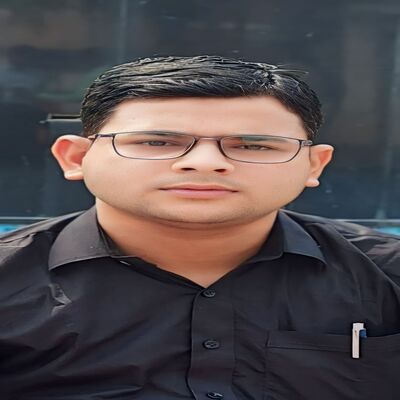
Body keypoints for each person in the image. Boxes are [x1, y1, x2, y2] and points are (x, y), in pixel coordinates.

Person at [0, 55, 399, 400]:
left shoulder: (386, 276)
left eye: (253, 145)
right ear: (76, 157)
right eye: (157, 142)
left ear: (314, 165)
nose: (205, 163)